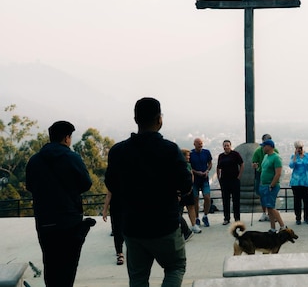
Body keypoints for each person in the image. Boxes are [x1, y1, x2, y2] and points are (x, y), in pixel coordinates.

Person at [105, 97, 192, 287]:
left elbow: (111, 183)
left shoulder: (118, 151)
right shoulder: (170, 150)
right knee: (175, 267)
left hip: (133, 227)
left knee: (138, 277)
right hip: (165, 225)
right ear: (160, 119)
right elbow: (186, 185)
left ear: (136, 119)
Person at [26, 120, 94, 287]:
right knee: (68, 267)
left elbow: (30, 186)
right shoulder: (72, 157)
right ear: (66, 138)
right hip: (69, 220)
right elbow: (86, 184)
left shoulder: (34, 160)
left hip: (44, 221)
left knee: (50, 264)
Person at [259, 139, 286, 232]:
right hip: (264, 185)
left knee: (271, 207)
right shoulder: (266, 156)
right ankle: (273, 228)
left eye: (264, 146)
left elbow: (278, 173)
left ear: (270, 147)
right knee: (269, 208)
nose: (263, 147)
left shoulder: (276, 158)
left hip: (271, 186)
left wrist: (272, 185)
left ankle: (282, 226)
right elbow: (263, 169)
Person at [217, 139, 244, 225]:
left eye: (227, 145)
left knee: (236, 201)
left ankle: (237, 218)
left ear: (230, 146)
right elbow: (218, 167)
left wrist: (239, 176)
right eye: (225, 145)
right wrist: (219, 178)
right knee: (225, 200)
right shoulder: (221, 156)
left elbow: (242, 164)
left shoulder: (235, 154)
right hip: (224, 181)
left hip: (234, 180)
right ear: (223, 147)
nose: (226, 147)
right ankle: (226, 218)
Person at [289, 141, 308, 225]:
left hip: (306, 182)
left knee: (307, 201)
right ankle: (298, 218)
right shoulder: (293, 156)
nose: (299, 149)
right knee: (297, 202)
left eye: (300, 148)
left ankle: (306, 218)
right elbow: (291, 166)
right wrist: (295, 156)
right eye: (297, 148)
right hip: (296, 183)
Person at [190, 137, 213, 228]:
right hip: (195, 180)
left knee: (207, 197)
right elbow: (189, 167)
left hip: (204, 179)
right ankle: (197, 218)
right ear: (194, 144)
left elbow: (210, 163)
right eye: (198, 143)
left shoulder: (206, 152)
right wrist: (196, 172)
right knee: (195, 199)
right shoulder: (191, 154)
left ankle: (205, 215)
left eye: (201, 143)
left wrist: (207, 171)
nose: (200, 145)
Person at [252, 133, 274, 222]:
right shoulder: (258, 151)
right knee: (262, 195)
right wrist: (255, 165)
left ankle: (270, 213)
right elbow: (254, 162)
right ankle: (264, 212)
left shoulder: (274, 152)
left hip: (270, 175)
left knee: (270, 195)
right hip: (260, 175)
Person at [180, 148, 201, 235]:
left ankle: (193, 225)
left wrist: (191, 186)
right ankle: (180, 226)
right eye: (187, 155)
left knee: (191, 207)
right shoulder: (179, 165)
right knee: (180, 209)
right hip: (181, 191)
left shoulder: (188, 165)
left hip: (189, 189)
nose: (189, 157)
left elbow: (191, 175)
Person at [103, 190, 125, 264]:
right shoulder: (113, 179)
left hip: (129, 207)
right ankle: (120, 253)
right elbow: (109, 195)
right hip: (116, 208)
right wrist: (105, 210)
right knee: (117, 231)